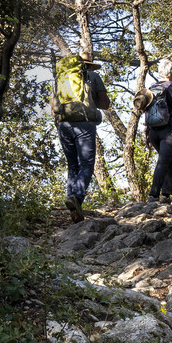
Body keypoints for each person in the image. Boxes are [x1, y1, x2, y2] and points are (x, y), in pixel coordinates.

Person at [52, 49, 111, 221]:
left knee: (72, 165)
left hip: (63, 124)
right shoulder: (92, 76)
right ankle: (76, 197)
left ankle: (73, 207)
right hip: (84, 124)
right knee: (86, 165)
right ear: (89, 65)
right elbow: (105, 103)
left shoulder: (62, 77)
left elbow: (53, 107)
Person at [143, 60, 172, 202]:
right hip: (168, 130)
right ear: (171, 72)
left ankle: (166, 194)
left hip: (153, 131)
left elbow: (147, 112)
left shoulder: (151, 88)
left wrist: (147, 134)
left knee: (169, 160)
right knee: (163, 161)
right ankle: (154, 194)